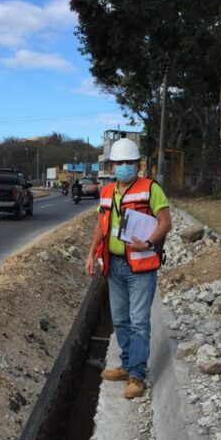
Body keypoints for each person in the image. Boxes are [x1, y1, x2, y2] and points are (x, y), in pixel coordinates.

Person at [85, 138, 172, 399]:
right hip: (114, 266)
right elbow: (101, 226)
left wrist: (147, 242)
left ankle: (137, 375)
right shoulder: (107, 192)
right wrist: (91, 254)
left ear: (138, 164)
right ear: (112, 166)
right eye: (119, 163)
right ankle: (126, 365)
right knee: (120, 320)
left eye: (129, 162)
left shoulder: (150, 189)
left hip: (141, 267)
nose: (124, 166)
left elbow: (165, 223)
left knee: (139, 322)